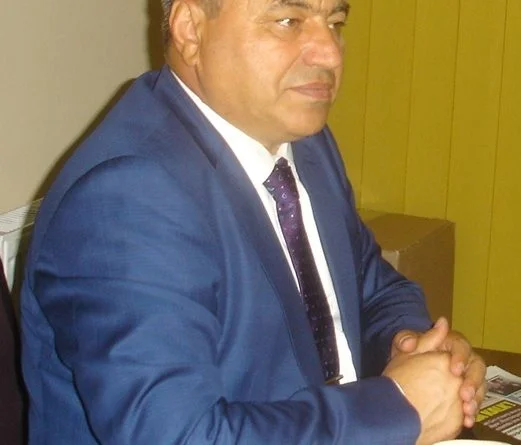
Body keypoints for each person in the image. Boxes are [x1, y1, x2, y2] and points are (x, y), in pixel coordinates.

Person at [20, 0, 486, 443]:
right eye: (288, 20)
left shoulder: (303, 143)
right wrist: (396, 409)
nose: (329, 52)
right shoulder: (127, 197)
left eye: (335, 22)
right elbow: (179, 436)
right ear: (191, 30)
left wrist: (412, 346)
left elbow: (370, 286)